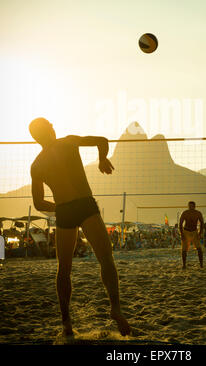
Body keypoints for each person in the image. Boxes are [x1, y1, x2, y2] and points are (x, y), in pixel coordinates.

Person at [29, 117, 130, 338]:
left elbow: (38, 203)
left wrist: (62, 207)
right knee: (106, 258)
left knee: (63, 269)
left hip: (65, 210)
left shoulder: (37, 165)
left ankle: (66, 322)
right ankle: (116, 308)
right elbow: (102, 140)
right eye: (51, 125)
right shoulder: (68, 142)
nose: (54, 127)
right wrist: (102, 158)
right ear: (49, 130)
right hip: (85, 205)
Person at [179, 201, 203, 269]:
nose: (191, 207)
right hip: (186, 231)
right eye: (189, 206)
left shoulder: (198, 213)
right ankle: (184, 265)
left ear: (194, 206)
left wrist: (200, 233)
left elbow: (202, 223)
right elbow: (180, 224)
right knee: (184, 250)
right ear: (188, 206)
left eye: (192, 206)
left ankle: (201, 265)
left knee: (199, 249)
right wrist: (182, 234)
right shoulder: (185, 213)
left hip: (194, 231)